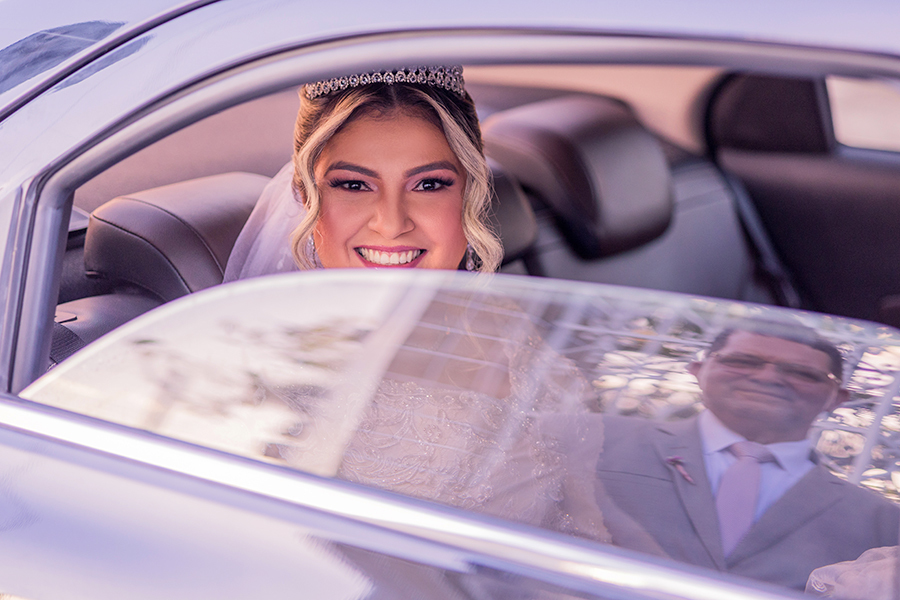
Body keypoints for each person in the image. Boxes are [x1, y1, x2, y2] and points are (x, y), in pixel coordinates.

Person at [592, 319, 900, 590]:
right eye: (742, 361)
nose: (768, 378)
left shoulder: (880, 521)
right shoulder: (594, 437)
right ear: (698, 370)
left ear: (838, 397)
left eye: (802, 373)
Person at [223, 65, 502, 281]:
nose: (391, 226)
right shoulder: (263, 354)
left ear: (471, 192)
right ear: (305, 195)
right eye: (355, 185)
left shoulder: (518, 338)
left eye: (428, 185)